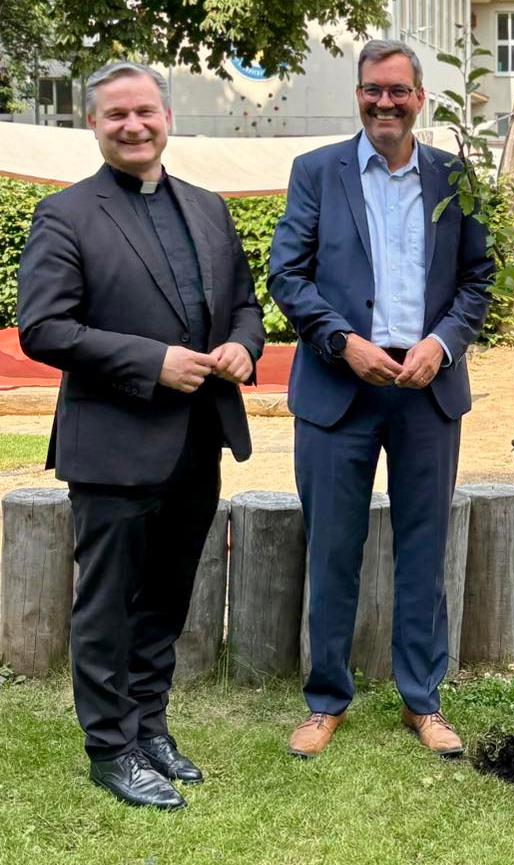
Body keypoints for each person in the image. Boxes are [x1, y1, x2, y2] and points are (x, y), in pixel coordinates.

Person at [17, 61, 265, 810]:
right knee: (107, 603)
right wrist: (151, 362)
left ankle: (149, 724)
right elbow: (44, 327)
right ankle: (109, 747)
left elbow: (247, 305)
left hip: (198, 439)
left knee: (165, 597)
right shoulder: (64, 215)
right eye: (116, 114)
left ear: (167, 117)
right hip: (113, 442)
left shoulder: (210, 208)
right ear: (92, 124)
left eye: (145, 112)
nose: (133, 125)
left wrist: (244, 347)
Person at [268, 39, 492, 759]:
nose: (384, 103)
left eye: (398, 91)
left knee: (424, 550)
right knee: (333, 547)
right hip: (340, 390)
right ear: (358, 94)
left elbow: (478, 279)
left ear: (420, 98)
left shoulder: (456, 177)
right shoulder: (316, 172)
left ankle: (422, 701)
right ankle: (326, 699)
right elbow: (288, 274)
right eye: (372, 90)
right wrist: (341, 342)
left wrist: (443, 342)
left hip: (427, 390)